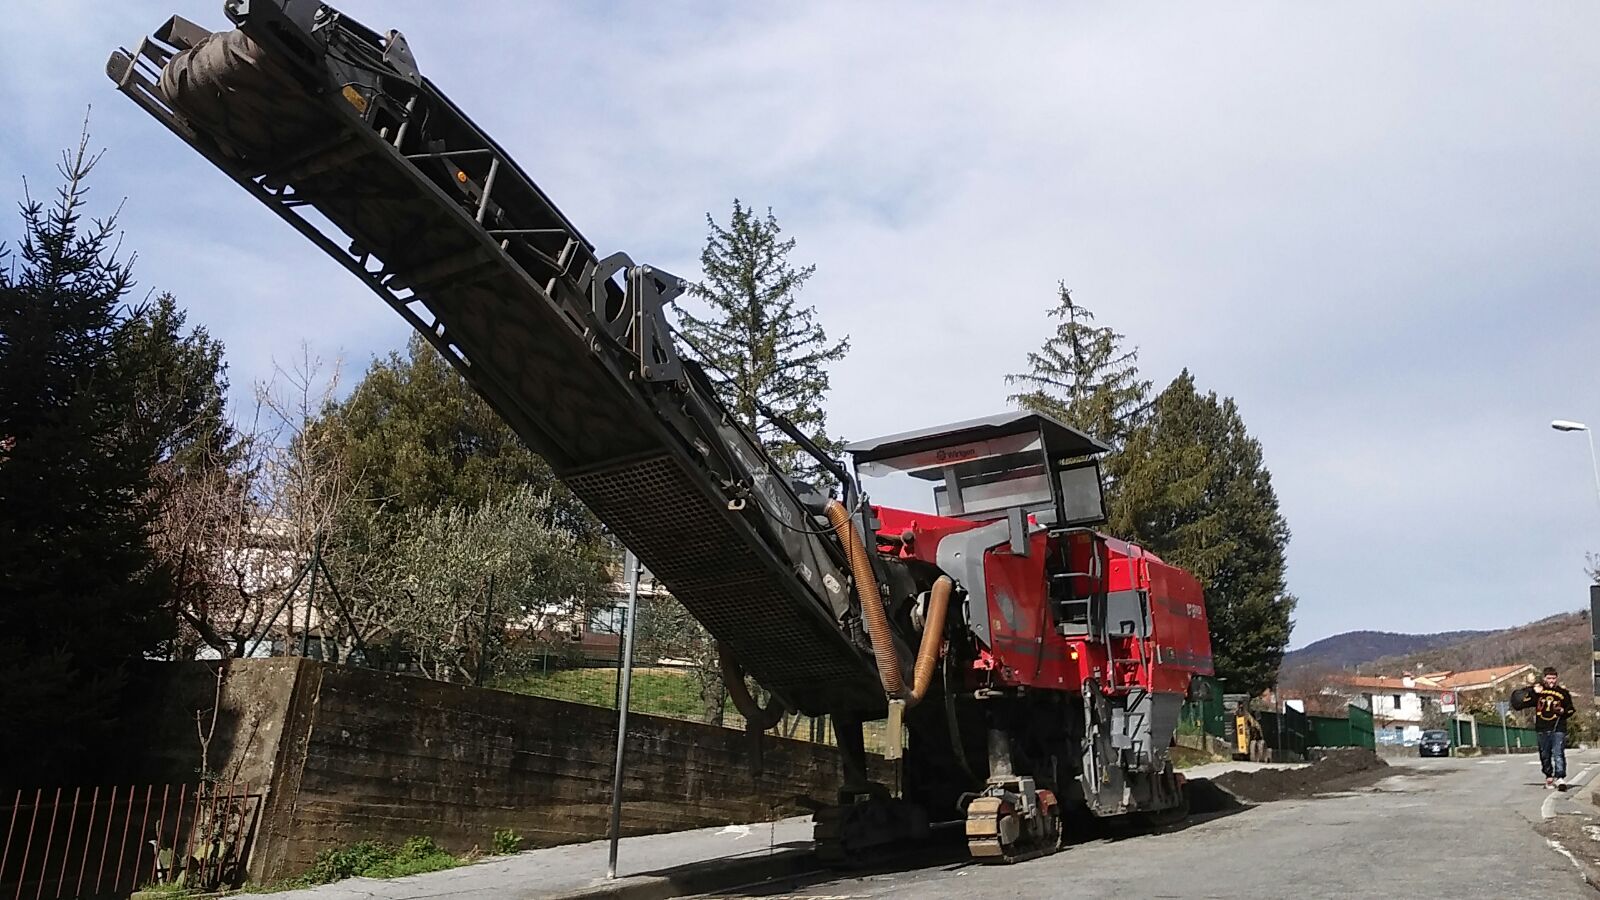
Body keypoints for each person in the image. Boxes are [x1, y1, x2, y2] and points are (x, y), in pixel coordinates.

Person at [1532, 666, 1576, 790]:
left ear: (1557, 679)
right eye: (1549, 678)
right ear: (1544, 678)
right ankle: (1548, 776)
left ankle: (1560, 777)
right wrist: (1532, 689)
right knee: (1544, 754)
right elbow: (1522, 700)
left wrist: (1563, 711)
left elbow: (1571, 709)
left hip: (1558, 728)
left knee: (1558, 753)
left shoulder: (1563, 693)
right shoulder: (1538, 692)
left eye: (1553, 678)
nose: (1551, 681)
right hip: (1542, 728)